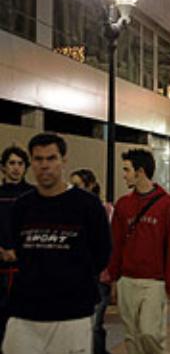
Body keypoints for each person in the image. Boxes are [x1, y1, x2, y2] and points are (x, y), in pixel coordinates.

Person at [1, 133, 111, 354]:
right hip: (25, 311)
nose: (45, 166)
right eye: (38, 159)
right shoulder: (22, 206)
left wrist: (74, 280)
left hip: (72, 313)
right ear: (32, 163)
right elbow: (18, 247)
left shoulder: (87, 206)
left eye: (51, 158)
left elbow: (102, 252)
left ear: (63, 160)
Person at [108, 149, 170, 354]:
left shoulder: (167, 204)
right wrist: (114, 278)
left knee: (149, 333)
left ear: (140, 171)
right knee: (131, 337)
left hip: (154, 282)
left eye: (127, 170)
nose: (124, 175)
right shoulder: (123, 205)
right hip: (127, 280)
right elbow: (116, 243)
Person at [70, 168, 113, 354]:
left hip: (99, 275)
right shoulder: (68, 211)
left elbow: (108, 244)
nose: (73, 189)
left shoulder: (104, 210)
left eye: (77, 185)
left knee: (95, 324)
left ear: (90, 186)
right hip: (76, 276)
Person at [0, 146, 34, 350]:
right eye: (11, 163)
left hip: (26, 270)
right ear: (3, 167)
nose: (16, 168)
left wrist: (20, 251)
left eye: (20, 163)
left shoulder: (33, 195)